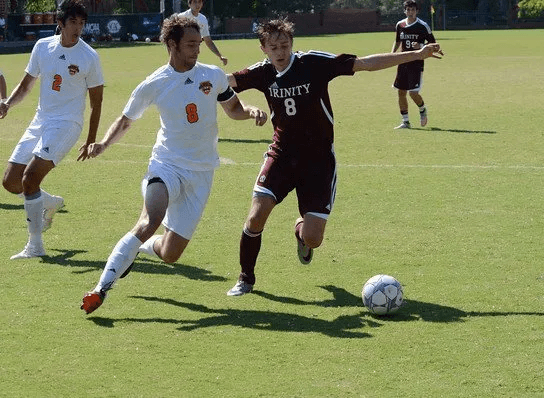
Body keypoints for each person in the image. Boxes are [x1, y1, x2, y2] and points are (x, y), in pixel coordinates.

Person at [225, 18, 443, 296]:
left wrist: (415, 54)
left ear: (292, 44)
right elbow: (224, 82)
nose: (280, 51)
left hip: (318, 162)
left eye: (284, 45)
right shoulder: (261, 72)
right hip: (281, 156)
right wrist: (201, 83)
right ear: (263, 48)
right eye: (274, 47)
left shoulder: (312, 63)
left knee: (313, 239)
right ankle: (246, 278)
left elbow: (365, 63)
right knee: (256, 217)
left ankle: (300, 232)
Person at [80, 14, 267, 314]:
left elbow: (233, 108)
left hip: (202, 173)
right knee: (149, 220)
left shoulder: (213, 75)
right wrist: (103, 143)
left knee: (170, 254)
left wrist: (251, 111)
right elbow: (126, 120)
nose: (197, 50)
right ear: (172, 44)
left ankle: (138, 249)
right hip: (165, 165)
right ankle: (100, 289)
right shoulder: (154, 83)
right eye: (190, 44)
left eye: (198, 44)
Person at [1, 0, 104, 260]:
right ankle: (50, 202)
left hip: (68, 123)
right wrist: (7, 104)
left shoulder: (89, 56)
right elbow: (26, 85)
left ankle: (35, 246)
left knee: (30, 179)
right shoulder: (41, 47)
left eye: (82, 23)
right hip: (41, 120)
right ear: (60, 23)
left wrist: (91, 139)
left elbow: (97, 102)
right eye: (73, 22)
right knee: (11, 182)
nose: (78, 28)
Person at [391, 0, 436, 129]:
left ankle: (422, 110)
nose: (410, 12)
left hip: (416, 63)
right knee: (401, 92)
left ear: (417, 11)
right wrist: (392, 55)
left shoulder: (423, 26)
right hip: (402, 61)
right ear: (405, 11)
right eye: (408, 9)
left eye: (413, 10)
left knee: (413, 93)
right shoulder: (400, 25)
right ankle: (405, 122)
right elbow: (398, 41)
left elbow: (433, 44)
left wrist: (421, 46)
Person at [179, 0, 227, 65]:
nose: (197, 4)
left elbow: (208, 41)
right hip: (181, 53)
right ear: (189, 4)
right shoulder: (181, 17)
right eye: (195, 2)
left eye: (199, 2)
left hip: (194, 52)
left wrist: (220, 56)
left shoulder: (203, 19)